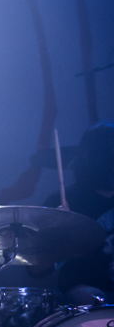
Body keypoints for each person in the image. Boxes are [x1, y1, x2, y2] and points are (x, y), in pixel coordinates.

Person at [44, 121, 114, 305]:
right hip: (86, 291)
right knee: (86, 297)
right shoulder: (64, 199)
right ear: (88, 156)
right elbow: (37, 270)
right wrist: (54, 230)